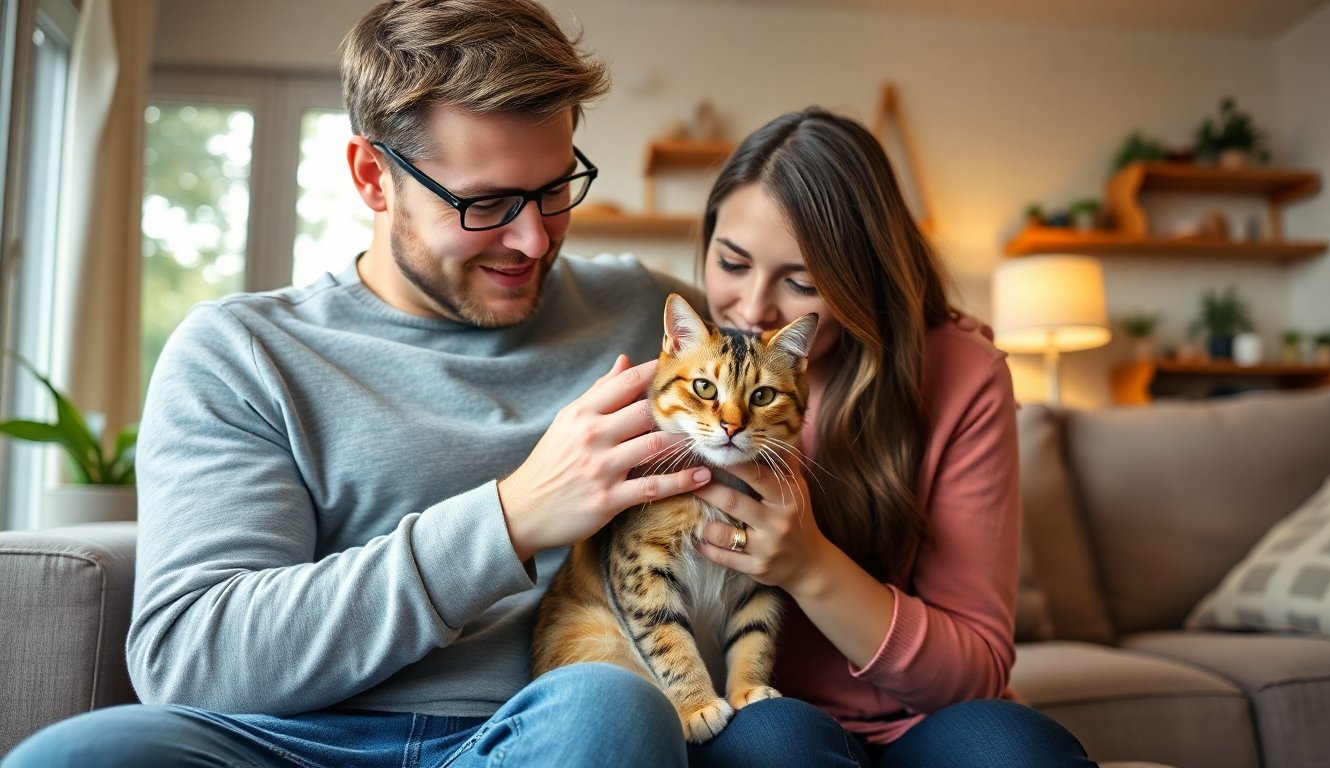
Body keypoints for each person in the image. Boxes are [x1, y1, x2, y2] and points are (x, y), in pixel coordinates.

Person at [3, 1, 721, 766]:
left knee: (608, 709)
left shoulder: (652, 318)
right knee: (76, 755)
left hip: (530, 732)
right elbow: (191, 658)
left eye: (553, 189)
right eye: (485, 203)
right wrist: (506, 520)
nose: (533, 238)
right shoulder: (243, 352)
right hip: (288, 742)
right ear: (373, 176)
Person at [684, 107, 1099, 768]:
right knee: (772, 744)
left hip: (924, 720)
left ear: (862, 279)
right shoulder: (690, 367)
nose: (754, 308)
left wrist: (808, 563)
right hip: (768, 716)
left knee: (1016, 753)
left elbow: (975, 674)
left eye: (802, 283)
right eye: (731, 263)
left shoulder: (962, 374)